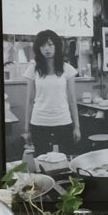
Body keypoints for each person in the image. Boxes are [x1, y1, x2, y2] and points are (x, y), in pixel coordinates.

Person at [28, 29, 80, 157]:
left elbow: (72, 100)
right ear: (38, 48)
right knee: (41, 160)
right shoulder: (33, 69)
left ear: (57, 46)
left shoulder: (68, 69)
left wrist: (77, 127)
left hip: (63, 120)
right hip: (39, 121)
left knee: (66, 159)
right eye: (43, 45)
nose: (47, 49)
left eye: (50, 44)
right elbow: (29, 100)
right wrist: (26, 129)